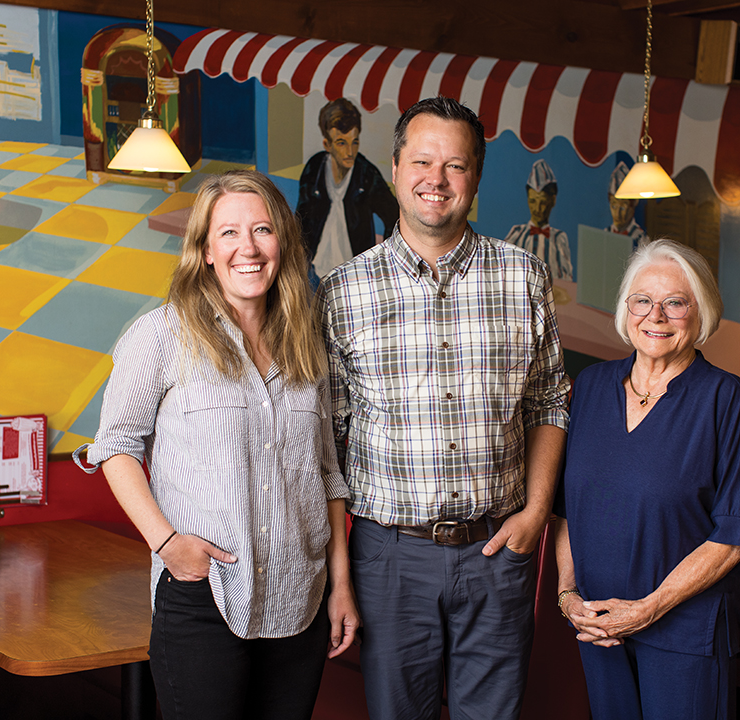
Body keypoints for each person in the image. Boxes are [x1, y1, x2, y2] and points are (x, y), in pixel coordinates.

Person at [316, 97, 571, 720]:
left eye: (455, 165)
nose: (437, 179)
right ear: (397, 168)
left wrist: (536, 514)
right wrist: (341, 578)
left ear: (476, 178)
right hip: (389, 558)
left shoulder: (524, 278)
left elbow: (549, 401)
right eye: (423, 161)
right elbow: (327, 443)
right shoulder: (343, 292)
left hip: (499, 552)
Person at [74, 170, 359, 720]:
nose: (247, 249)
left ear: (284, 242)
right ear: (205, 249)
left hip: (300, 599)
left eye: (262, 230)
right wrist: (167, 544)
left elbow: (328, 473)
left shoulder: (307, 347)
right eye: (228, 233)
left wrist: (340, 585)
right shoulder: (160, 336)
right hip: (205, 597)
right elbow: (115, 447)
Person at [554, 238, 740, 720]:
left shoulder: (725, 399)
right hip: (598, 627)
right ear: (625, 308)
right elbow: (568, 509)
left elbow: (734, 536)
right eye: (643, 300)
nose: (656, 316)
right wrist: (569, 595)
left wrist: (647, 609)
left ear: (701, 313)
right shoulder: (589, 387)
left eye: (675, 303)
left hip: (685, 632)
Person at [296, 97, 399, 281]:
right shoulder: (314, 169)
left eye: (355, 142)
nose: (350, 152)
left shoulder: (366, 174)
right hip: (314, 270)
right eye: (342, 143)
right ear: (327, 144)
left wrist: (381, 261)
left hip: (354, 273)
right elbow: (300, 219)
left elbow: (394, 216)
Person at [504, 157, 574, 280]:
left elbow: (566, 278)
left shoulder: (558, 239)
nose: (537, 209)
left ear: (552, 201)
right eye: (532, 201)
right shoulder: (517, 233)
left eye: (543, 202)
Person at [608, 160, 647, 244]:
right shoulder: (605, 233)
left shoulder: (640, 238)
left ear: (634, 204)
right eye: (614, 206)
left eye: (622, 208)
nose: (617, 214)